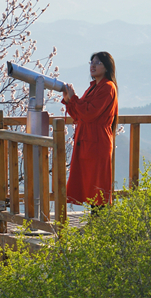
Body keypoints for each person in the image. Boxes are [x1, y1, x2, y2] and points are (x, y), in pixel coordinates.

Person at [61, 51, 118, 212]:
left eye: (97, 63)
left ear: (106, 67)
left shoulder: (108, 87)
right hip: (88, 141)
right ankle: (97, 221)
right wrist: (69, 101)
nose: (93, 66)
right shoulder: (94, 88)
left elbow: (89, 113)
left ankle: (100, 221)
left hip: (97, 142)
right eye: (91, 62)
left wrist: (74, 99)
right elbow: (80, 115)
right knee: (90, 184)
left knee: (97, 185)